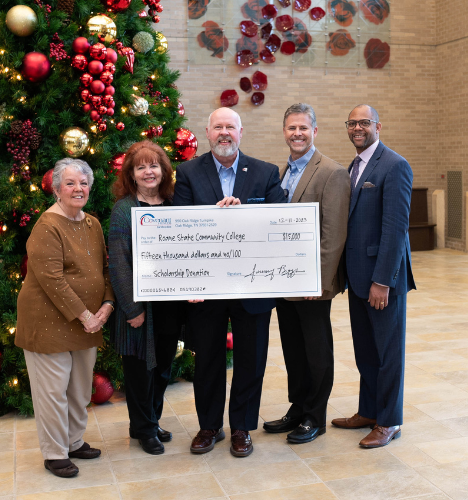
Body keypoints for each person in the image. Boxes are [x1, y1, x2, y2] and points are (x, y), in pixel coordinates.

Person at [173, 107, 286, 457]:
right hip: (206, 289)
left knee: (251, 360)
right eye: (218, 127)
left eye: (230, 127)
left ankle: (241, 428)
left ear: (241, 132)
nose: (225, 133)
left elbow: (277, 223)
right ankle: (209, 427)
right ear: (206, 132)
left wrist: (245, 214)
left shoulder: (266, 172)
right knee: (207, 359)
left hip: (253, 286)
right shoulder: (189, 172)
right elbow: (181, 226)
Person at [15, 158, 115, 478]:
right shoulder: (48, 225)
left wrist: (107, 306)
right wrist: (87, 316)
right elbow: (52, 280)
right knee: (53, 390)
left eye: (83, 183)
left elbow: (104, 269)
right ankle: (55, 452)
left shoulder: (93, 224)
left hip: (88, 321)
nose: (78, 189)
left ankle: (73, 440)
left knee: (80, 389)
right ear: (57, 189)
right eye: (70, 183)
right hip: (48, 321)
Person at [263, 103, 351, 444]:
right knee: (293, 349)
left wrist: (319, 279)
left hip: (312, 282)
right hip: (284, 281)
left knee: (316, 349)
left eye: (303, 128)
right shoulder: (282, 172)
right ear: (284, 132)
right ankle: (297, 407)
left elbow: (334, 233)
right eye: (291, 128)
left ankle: (315, 416)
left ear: (314, 131)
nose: (296, 133)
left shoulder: (331, 172)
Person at [331, 104, 416, 448]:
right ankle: (369, 410)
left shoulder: (395, 165)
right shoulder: (354, 166)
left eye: (364, 122)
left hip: (383, 281)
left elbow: (395, 229)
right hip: (358, 278)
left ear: (378, 125)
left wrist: (383, 280)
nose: (357, 128)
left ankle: (390, 420)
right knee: (366, 351)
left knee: (388, 353)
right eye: (352, 123)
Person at [108, 141, 183, 456]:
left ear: (164, 170)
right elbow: (119, 264)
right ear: (132, 174)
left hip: (170, 307)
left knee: (163, 368)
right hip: (139, 309)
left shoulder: (174, 204)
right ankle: (144, 429)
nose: (149, 172)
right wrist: (132, 308)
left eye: (154, 165)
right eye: (141, 167)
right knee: (139, 372)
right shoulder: (125, 209)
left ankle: (149, 421)